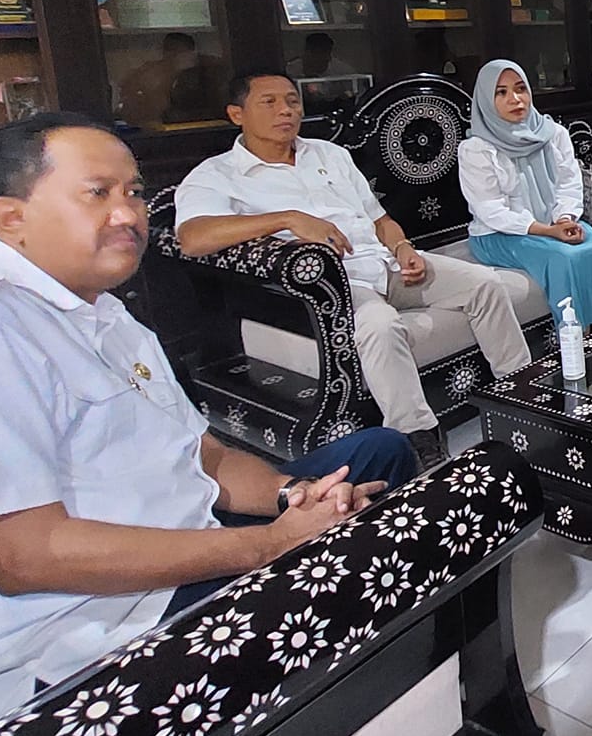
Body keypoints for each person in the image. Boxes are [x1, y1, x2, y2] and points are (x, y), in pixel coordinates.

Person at [0, 114, 415, 736]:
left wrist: (291, 497)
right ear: (11, 217)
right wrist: (269, 545)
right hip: (64, 639)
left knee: (378, 456)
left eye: (134, 192)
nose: (128, 213)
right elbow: (25, 558)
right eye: (96, 193)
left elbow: (207, 457)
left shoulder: (109, 319)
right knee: (376, 560)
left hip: (175, 548)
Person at [176, 70, 529, 467]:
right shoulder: (217, 174)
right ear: (236, 114)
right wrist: (287, 219)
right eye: (269, 102)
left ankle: (521, 393)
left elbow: (381, 220)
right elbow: (192, 237)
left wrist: (403, 247)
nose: (286, 111)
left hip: (385, 263)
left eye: (292, 101)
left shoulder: (329, 155)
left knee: (485, 284)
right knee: (380, 326)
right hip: (334, 287)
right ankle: (418, 437)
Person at [460, 58, 592, 327]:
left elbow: (569, 183)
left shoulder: (552, 133)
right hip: (498, 234)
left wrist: (564, 218)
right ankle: (574, 339)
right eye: (501, 92)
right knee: (564, 258)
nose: (515, 99)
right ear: (486, 101)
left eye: (520, 89)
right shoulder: (476, 149)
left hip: (553, 222)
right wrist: (547, 231)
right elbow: (490, 211)